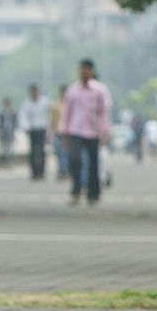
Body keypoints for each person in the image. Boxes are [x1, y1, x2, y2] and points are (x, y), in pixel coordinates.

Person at [62, 59, 110, 205]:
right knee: (75, 160)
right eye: (82, 69)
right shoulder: (72, 90)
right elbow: (67, 113)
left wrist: (105, 132)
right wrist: (65, 134)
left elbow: (103, 112)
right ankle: (76, 191)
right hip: (75, 130)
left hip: (93, 131)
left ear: (91, 71)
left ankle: (93, 194)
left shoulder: (99, 90)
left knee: (93, 164)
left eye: (87, 70)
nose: (84, 72)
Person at [19, 84, 50, 180]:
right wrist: (25, 127)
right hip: (32, 129)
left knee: (41, 151)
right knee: (32, 151)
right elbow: (23, 116)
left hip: (42, 128)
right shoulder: (27, 103)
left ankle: (41, 171)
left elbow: (50, 113)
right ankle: (34, 172)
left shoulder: (45, 101)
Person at [49, 85, 69, 179]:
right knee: (59, 153)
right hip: (58, 132)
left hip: (68, 133)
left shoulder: (70, 105)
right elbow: (52, 120)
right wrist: (50, 133)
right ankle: (62, 170)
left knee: (65, 153)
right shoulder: (56, 105)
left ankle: (64, 171)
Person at [0, 99, 18, 165]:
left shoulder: (13, 113)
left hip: (10, 131)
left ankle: (9, 160)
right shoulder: (2, 113)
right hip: (4, 131)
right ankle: (4, 160)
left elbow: (15, 123)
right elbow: (0, 124)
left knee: (10, 146)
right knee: (4, 146)